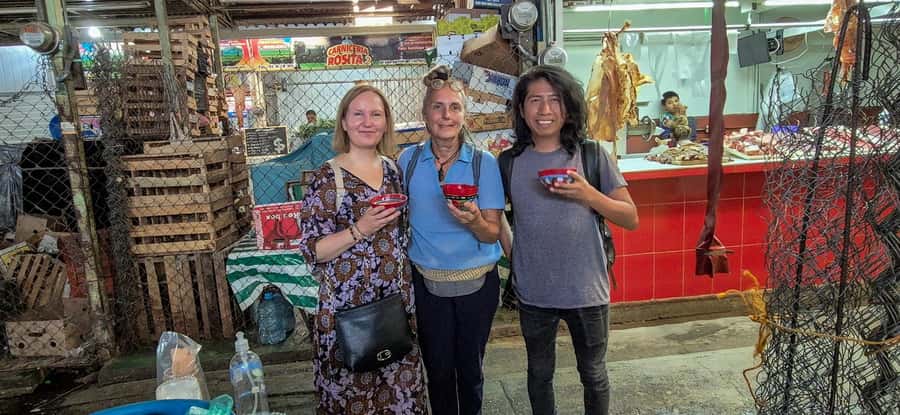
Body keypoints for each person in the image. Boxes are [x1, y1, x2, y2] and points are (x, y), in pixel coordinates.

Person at [498, 65, 639, 415]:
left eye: (554, 100)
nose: (544, 111)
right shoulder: (508, 162)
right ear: (521, 109)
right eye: (535, 101)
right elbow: (495, 213)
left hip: (586, 290)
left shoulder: (591, 154)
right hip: (534, 291)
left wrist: (588, 194)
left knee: (593, 374)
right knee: (539, 374)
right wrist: (513, 252)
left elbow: (630, 217)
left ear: (568, 107)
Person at [298, 85, 427, 414]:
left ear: (386, 123)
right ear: (343, 122)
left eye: (376, 114)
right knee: (352, 398)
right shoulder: (328, 179)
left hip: (394, 306)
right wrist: (361, 228)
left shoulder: (392, 170)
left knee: (402, 397)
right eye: (358, 114)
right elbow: (314, 250)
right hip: (348, 313)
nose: (367, 122)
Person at [397, 65, 505, 415]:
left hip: (477, 285)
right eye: (438, 107)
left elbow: (492, 232)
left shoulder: (483, 164)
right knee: (439, 371)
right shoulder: (408, 161)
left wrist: (474, 221)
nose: (446, 115)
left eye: (454, 107)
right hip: (427, 286)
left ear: (465, 114)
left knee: (470, 370)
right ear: (424, 114)